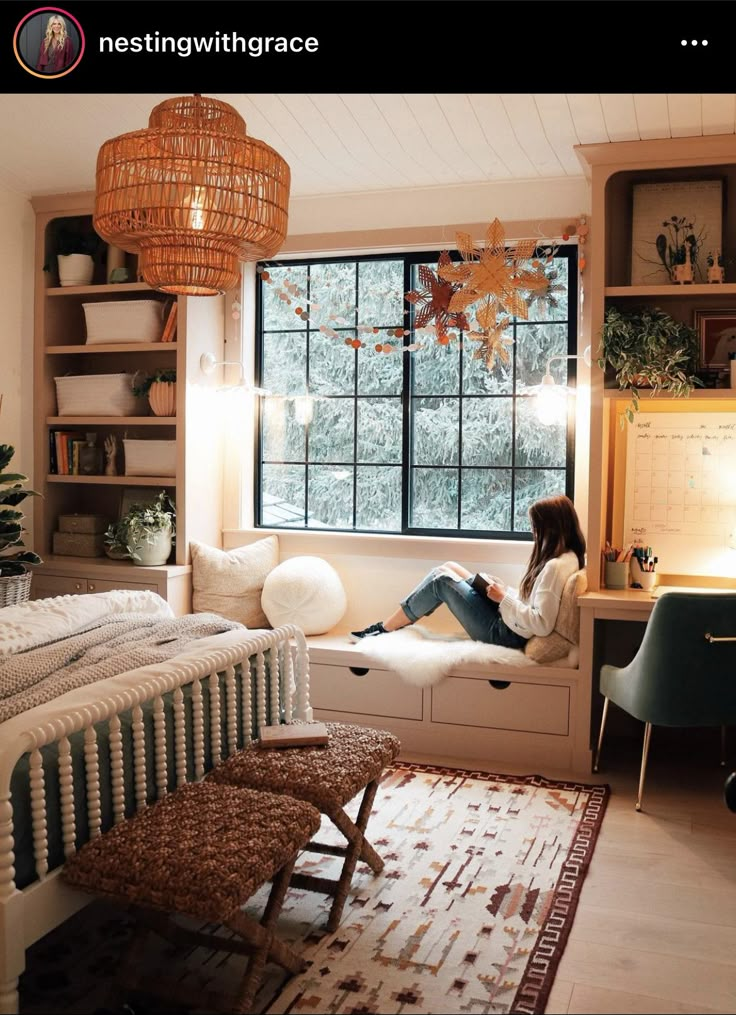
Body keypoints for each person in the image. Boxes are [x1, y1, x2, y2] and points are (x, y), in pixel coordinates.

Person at [350, 494, 586, 649]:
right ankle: (392, 624)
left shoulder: (555, 567)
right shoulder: (567, 557)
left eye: (536, 527)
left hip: (505, 635)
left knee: (441, 581)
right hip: (510, 620)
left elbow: (541, 623)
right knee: (449, 567)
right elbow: (533, 605)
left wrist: (503, 597)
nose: (534, 532)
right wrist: (505, 592)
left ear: (551, 528)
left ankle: (384, 629)